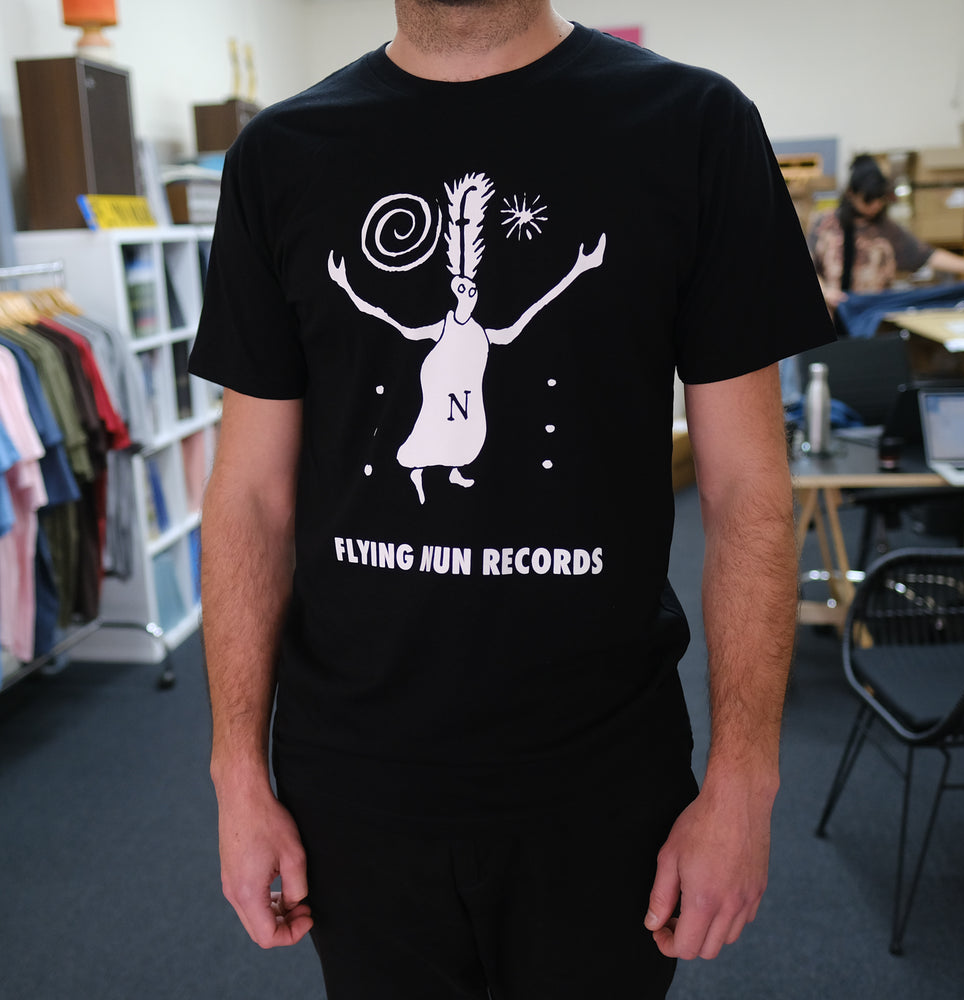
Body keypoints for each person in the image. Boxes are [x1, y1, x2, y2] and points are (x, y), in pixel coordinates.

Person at [189, 3, 834, 997]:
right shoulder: (281, 155)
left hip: (604, 782)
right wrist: (235, 771)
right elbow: (249, 500)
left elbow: (748, 489)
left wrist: (746, 780)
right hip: (353, 784)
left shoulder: (693, 127)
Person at [810, 153, 964, 313]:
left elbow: (927, 255)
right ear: (851, 193)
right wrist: (825, 292)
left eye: (879, 200)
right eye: (868, 200)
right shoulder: (825, 224)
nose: (875, 206)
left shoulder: (887, 229)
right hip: (832, 312)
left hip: (871, 312)